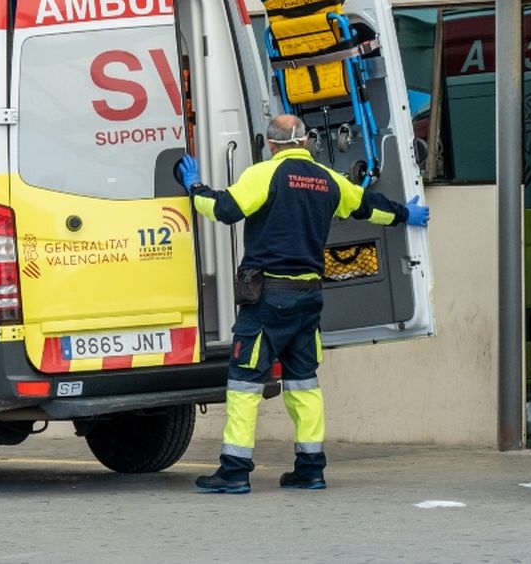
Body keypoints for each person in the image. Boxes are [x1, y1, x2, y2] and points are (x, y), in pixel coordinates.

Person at [176, 113, 429, 494]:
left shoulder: (265, 174)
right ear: (307, 142)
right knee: (304, 384)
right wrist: (407, 214)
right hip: (308, 299)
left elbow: (225, 210)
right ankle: (310, 468)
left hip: (267, 299)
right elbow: (367, 206)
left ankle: (234, 470)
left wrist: (194, 187)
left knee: (245, 382)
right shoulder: (328, 180)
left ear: (272, 144)